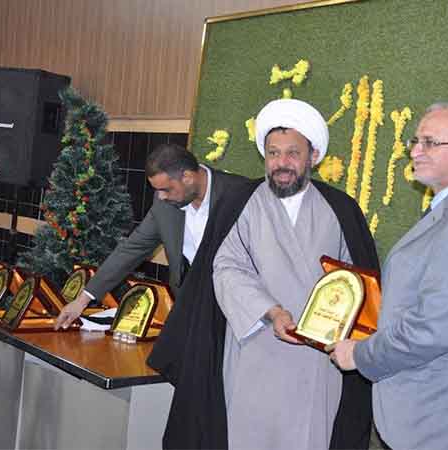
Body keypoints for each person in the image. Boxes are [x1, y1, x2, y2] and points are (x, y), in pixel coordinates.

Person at [147, 98, 379, 450]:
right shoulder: (240, 201)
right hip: (254, 347)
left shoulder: (341, 209)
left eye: (292, 153)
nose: (281, 163)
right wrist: (272, 312)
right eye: (273, 153)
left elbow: (357, 284)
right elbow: (226, 267)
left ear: (313, 156)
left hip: (317, 362)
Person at [329, 103, 448, 450]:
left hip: (444, 419)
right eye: (415, 141)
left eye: (430, 142)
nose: (415, 151)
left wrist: (358, 355)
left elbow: (430, 331)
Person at [54, 143, 245, 330]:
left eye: (166, 189)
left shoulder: (240, 193)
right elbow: (131, 249)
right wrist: (82, 300)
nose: (161, 197)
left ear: (187, 177)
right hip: (192, 307)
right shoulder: (165, 204)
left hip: (236, 310)